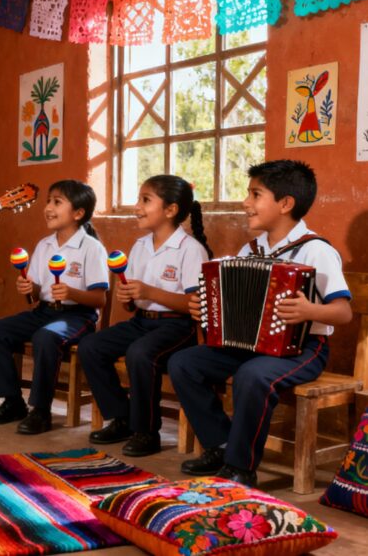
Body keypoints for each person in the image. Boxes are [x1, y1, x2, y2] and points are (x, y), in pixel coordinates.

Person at [170, 160, 351, 487]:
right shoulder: (252, 249)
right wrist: (204, 307)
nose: (246, 203)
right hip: (252, 347)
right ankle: (221, 445)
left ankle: (241, 467)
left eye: (256, 194)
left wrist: (309, 310)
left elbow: (342, 312)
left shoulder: (315, 250)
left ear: (285, 204)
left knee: (251, 376)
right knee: (183, 363)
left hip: (304, 348)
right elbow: (228, 300)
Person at [78, 174, 212, 457]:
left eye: (145, 200)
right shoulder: (140, 246)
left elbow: (193, 305)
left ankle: (147, 432)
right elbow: (135, 302)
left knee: (141, 354)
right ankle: (121, 417)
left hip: (179, 326)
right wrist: (129, 298)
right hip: (142, 321)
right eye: (139, 199)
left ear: (170, 210)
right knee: (91, 347)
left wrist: (150, 292)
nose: (137, 206)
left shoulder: (191, 250)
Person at [0, 180, 108, 434]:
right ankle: (13, 401)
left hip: (78, 316)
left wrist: (72, 293)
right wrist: (30, 289)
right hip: (44, 312)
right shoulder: (44, 245)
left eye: (57, 202)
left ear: (78, 213)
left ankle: (40, 411)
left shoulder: (92, 248)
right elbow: (38, 295)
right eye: (48, 201)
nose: (48, 207)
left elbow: (99, 300)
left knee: (46, 338)